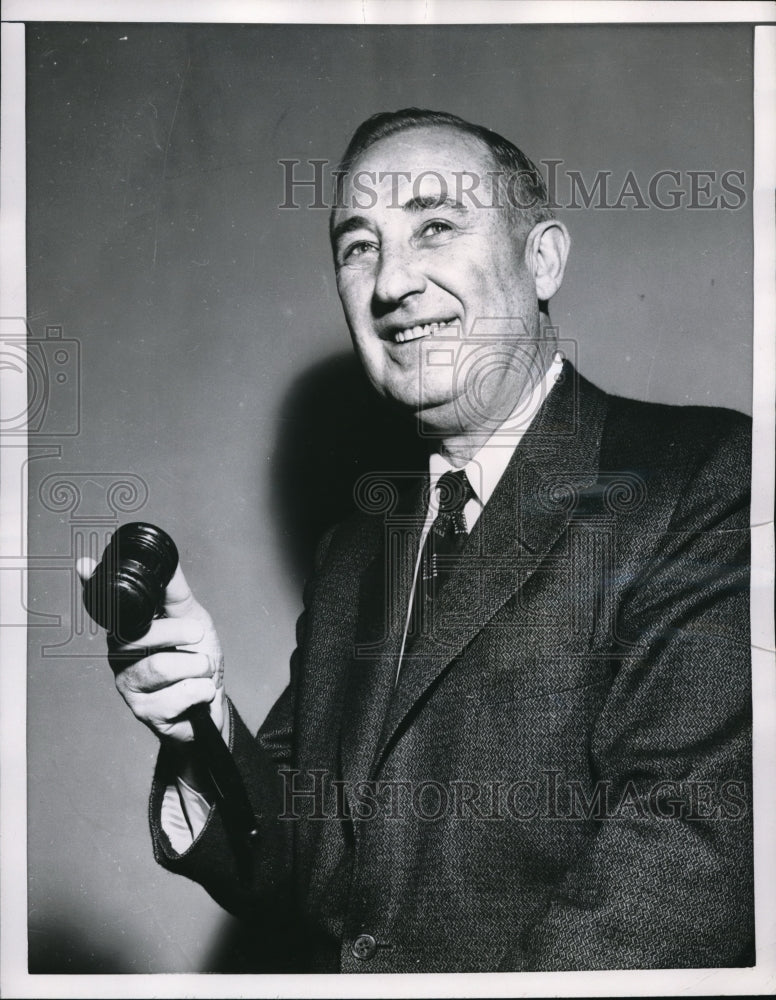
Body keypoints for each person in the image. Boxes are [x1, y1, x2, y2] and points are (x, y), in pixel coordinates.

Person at [78, 109, 753, 973]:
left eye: (435, 225)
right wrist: (199, 719)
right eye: (358, 246)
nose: (392, 281)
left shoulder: (705, 477)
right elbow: (295, 871)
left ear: (542, 258)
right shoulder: (357, 551)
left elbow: (692, 841)